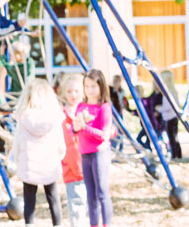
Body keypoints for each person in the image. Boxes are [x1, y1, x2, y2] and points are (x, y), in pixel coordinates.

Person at [11, 78, 66, 225]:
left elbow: (17, 144)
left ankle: (29, 224)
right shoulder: (54, 118)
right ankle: (58, 224)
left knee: (29, 200)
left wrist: (18, 160)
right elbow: (60, 144)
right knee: (54, 198)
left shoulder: (23, 118)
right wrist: (60, 156)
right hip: (49, 165)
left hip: (30, 166)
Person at [72, 69, 114, 227]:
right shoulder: (81, 106)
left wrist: (84, 127)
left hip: (99, 154)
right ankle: (94, 224)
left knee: (102, 192)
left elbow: (104, 135)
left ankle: (107, 224)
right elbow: (73, 131)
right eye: (87, 86)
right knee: (90, 195)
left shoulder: (104, 107)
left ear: (101, 87)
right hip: (85, 154)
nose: (90, 90)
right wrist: (77, 127)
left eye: (93, 86)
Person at [58, 74, 89, 227]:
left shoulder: (88, 113)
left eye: (76, 91)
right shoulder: (61, 117)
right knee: (76, 206)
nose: (73, 95)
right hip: (71, 169)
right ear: (64, 93)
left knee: (90, 206)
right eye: (69, 91)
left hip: (88, 167)